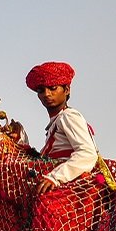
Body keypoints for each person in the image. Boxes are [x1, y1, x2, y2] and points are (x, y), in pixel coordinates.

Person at [25, 62, 98, 194]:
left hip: (72, 191)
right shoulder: (56, 122)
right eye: (41, 90)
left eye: (53, 88)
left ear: (67, 90)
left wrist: (55, 177)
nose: (47, 94)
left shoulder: (68, 116)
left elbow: (87, 154)